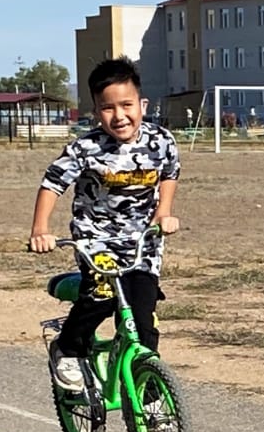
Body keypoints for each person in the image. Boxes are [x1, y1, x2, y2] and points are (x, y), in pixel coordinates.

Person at [28, 56, 180, 392]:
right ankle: (68, 348)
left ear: (142, 104)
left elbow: (170, 173)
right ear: (96, 111)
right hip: (96, 239)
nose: (119, 116)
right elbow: (52, 184)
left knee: (143, 317)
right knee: (102, 294)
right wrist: (40, 229)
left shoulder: (161, 140)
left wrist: (164, 211)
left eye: (126, 105)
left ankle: (148, 389)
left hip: (143, 243)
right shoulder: (85, 148)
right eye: (108, 108)